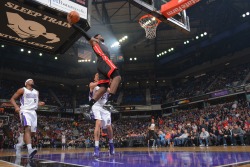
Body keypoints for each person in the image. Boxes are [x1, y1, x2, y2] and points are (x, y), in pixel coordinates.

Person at [67, 16, 121, 117]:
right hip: (104, 60)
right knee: (117, 77)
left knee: (104, 88)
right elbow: (84, 33)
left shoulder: (103, 44)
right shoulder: (95, 41)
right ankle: (110, 102)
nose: (102, 36)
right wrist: (73, 24)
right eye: (100, 35)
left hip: (102, 63)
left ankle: (89, 106)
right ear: (96, 38)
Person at [10, 79, 45, 158]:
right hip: (25, 111)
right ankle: (30, 150)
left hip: (33, 112)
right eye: (30, 80)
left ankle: (19, 145)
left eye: (32, 80)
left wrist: (40, 103)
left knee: (32, 133)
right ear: (26, 83)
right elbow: (12, 99)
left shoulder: (36, 92)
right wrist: (16, 107)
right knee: (27, 129)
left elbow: (36, 102)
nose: (32, 80)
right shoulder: (22, 90)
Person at [89, 73, 115, 157]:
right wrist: (104, 82)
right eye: (97, 75)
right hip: (96, 105)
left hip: (105, 107)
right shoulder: (92, 85)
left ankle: (111, 144)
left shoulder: (106, 87)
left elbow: (110, 91)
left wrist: (109, 83)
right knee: (98, 123)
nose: (98, 76)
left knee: (108, 126)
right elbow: (93, 85)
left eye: (99, 75)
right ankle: (96, 147)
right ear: (94, 77)